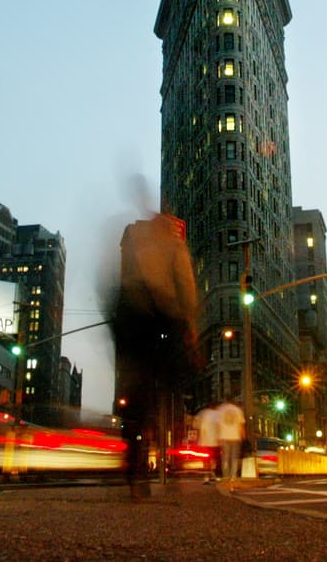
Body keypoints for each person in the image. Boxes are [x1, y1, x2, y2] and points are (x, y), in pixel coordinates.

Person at [111, 209, 201, 496]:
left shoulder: (134, 244)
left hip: (128, 318)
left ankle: (134, 465)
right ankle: (170, 454)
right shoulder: (174, 246)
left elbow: (117, 282)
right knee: (168, 385)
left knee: (135, 392)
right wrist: (190, 326)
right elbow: (185, 287)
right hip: (160, 318)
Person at [215, 398, 245, 480]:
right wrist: (243, 435)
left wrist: (218, 436)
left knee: (225, 457)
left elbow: (218, 425)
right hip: (235, 436)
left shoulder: (221, 410)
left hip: (224, 436)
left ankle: (226, 475)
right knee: (234, 457)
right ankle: (233, 476)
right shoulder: (238, 410)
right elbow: (241, 424)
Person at [194, 405, 221, 483]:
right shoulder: (217, 414)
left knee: (206, 460)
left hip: (204, 441)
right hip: (214, 441)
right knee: (214, 460)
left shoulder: (201, 413)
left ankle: (206, 476)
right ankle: (213, 474)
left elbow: (195, 425)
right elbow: (220, 427)